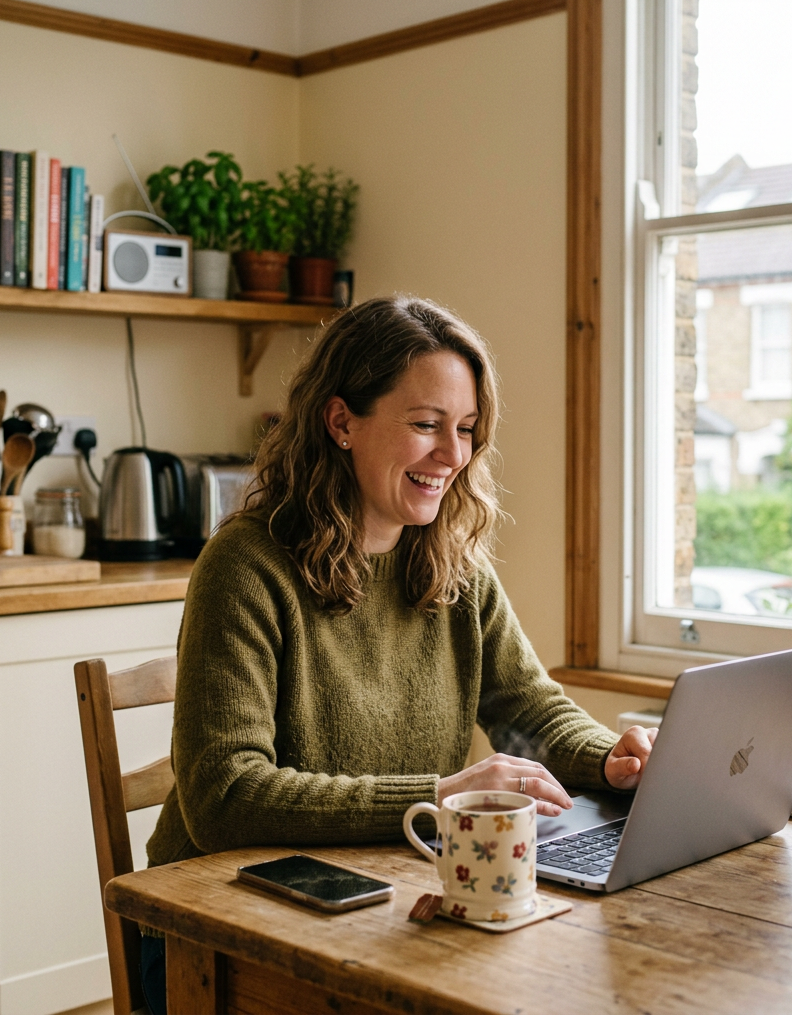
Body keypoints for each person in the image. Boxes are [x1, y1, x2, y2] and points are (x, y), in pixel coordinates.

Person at [139, 296, 657, 1013]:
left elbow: (528, 709)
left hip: (378, 902)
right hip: (217, 927)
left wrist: (612, 759)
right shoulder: (247, 566)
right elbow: (224, 796)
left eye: (468, 429)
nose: (454, 456)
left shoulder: (452, 561)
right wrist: (437, 798)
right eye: (426, 426)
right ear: (341, 421)